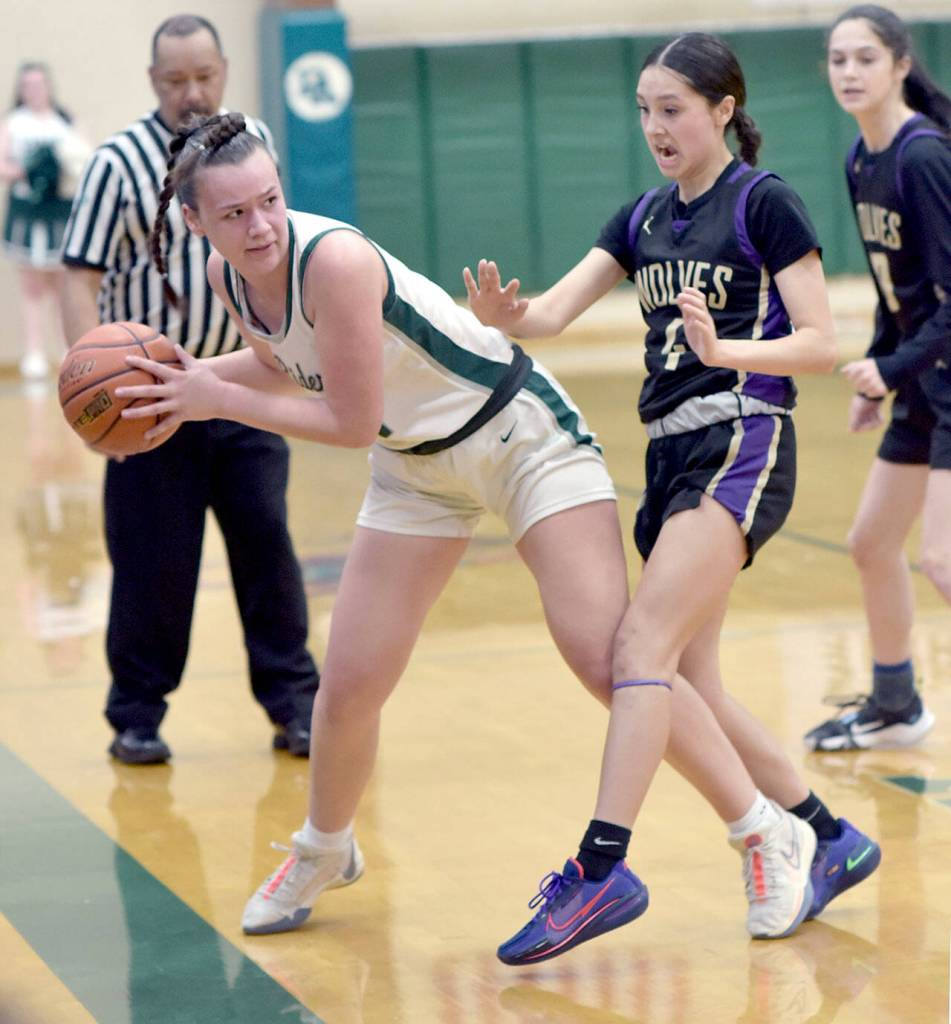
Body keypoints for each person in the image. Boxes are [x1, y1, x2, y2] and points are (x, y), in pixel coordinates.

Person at [119, 101, 871, 953]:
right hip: (416, 465)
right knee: (349, 685)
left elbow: (349, 420)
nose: (259, 225)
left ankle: (764, 830)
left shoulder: (333, 260)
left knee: (610, 661)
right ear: (195, 221)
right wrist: (188, 375)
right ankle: (324, 849)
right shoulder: (231, 280)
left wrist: (213, 400)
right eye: (233, 214)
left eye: (268, 200)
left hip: (519, 436)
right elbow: (290, 361)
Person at [463, 32, 880, 964]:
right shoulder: (641, 217)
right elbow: (551, 314)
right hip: (667, 454)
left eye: (673, 109)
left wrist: (725, 351)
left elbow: (821, 341)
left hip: (741, 436)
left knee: (637, 650)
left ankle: (603, 866)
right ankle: (830, 838)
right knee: (690, 683)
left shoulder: (762, 203)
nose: (654, 126)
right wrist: (506, 318)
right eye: (644, 110)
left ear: (722, 110)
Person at [60, 15, 319, 765]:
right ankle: (136, 716)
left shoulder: (253, 143)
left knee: (268, 550)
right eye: (175, 80)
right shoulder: (116, 164)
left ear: (224, 71)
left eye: (204, 75)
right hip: (147, 398)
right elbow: (80, 278)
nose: (192, 92)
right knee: (153, 565)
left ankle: (296, 706)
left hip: (242, 383)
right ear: (154, 82)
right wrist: (90, 394)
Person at [803, 4, 950, 752]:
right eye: (838, 60)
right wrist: (880, 376)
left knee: (941, 559)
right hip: (924, 379)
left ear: (899, 65)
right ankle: (896, 706)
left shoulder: (922, 159)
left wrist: (891, 366)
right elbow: (901, 291)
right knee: (870, 543)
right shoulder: (862, 159)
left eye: (865, 58)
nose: (849, 72)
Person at [1, 62, 85, 379]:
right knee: (32, 286)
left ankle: (67, 349)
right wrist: (29, 170)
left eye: (39, 84)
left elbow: (84, 157)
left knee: (61, 285)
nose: (34, 90)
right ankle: (33, 352)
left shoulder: (65, 120)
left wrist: (61, 168)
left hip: (59, 210)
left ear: (49, 87)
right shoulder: (14, 123)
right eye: (28, 85)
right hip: (29, 209)